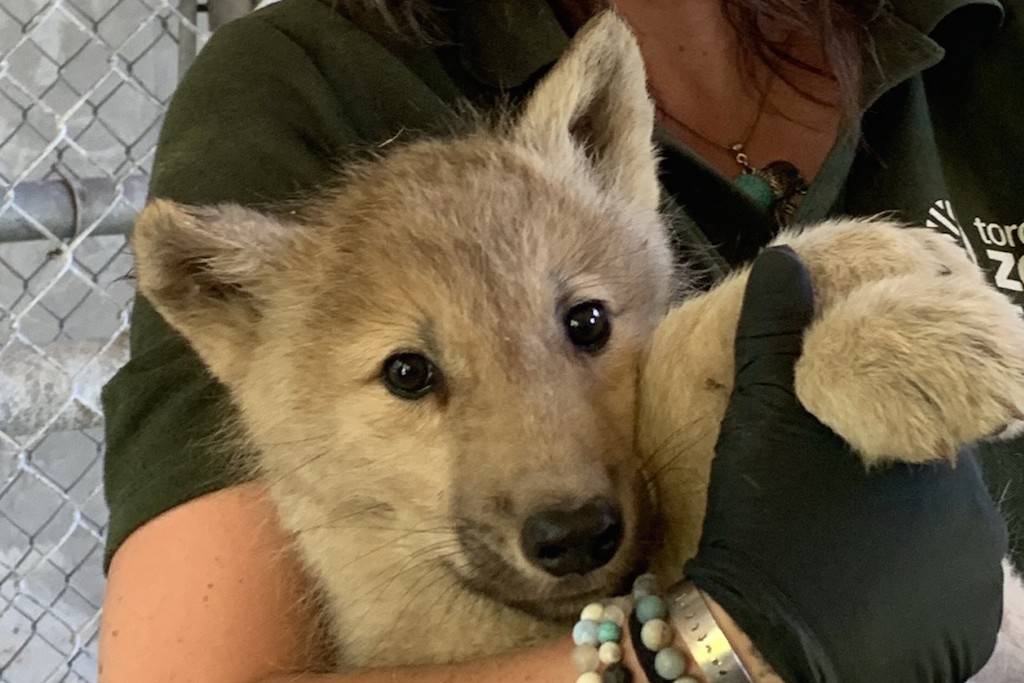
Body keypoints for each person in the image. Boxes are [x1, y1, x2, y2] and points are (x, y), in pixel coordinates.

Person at [97, 0, 1022, 681]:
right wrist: (722, 648)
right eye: (412, 374)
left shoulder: (987, 36)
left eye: (582, 325)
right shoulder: (310, 81)